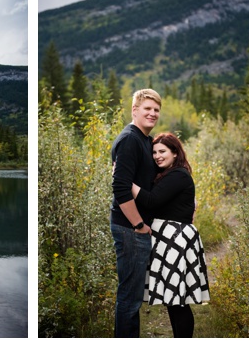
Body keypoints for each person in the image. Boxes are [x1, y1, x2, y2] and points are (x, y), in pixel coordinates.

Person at [131, 133, 210, 338]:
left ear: (175, 153)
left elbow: (151, 201)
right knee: (173, 301)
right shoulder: (167, 175)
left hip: (175, 240)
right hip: (167, 239)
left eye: (162, 151)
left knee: (177, 301)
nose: (157, 156)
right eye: (154, 152)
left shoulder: (179, 175)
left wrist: (124, 180)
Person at [110, 88, 161, 338]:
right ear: (134, 110)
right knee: (129, 298)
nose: (153, 114)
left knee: (133, 297)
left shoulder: (145, 140)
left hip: (135, 228)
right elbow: (120, 188)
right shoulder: (130, 139)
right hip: (130, 228)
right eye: (147, 109)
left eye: (156, 110)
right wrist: (139, 225)